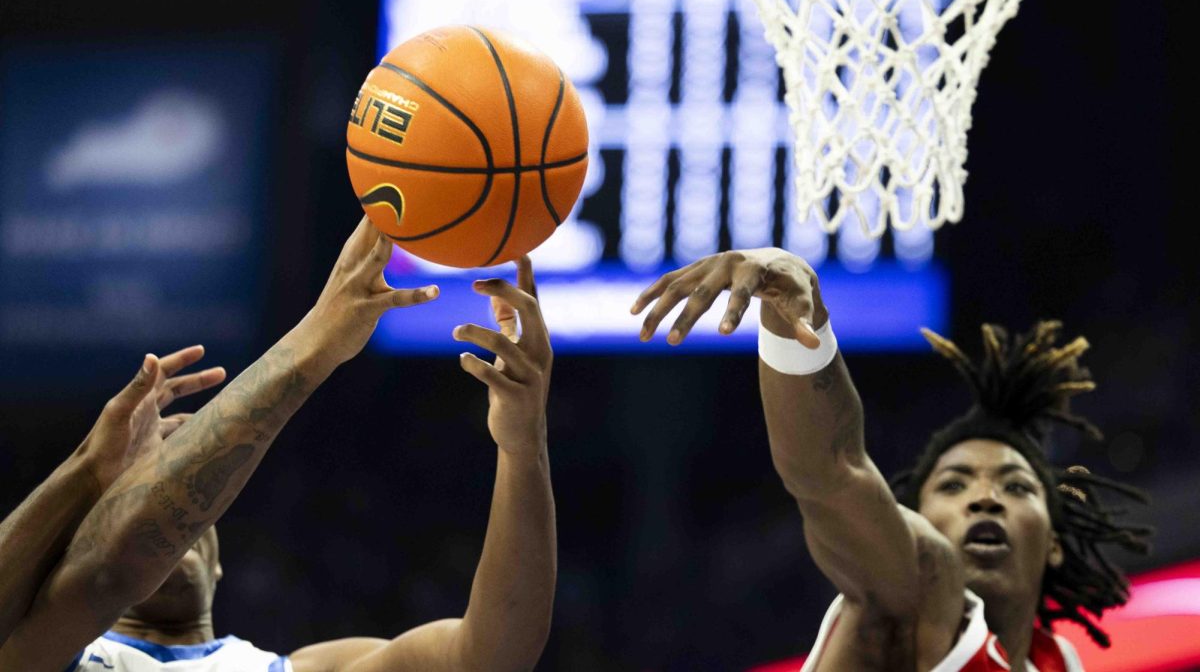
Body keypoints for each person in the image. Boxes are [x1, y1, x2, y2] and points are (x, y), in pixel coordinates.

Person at [0, 216, 557, 672]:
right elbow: (112, 567)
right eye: (134, 489)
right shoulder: (48, 649)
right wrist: (89, 470)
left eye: (189, 516)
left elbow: (491, 658)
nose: (166, 507)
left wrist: (522, 444)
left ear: (218, 562)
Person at [633, 248, 1149, 671]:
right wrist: (793, 310)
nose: (985, 500)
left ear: (1054, 542)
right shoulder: (909, 599)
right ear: (911, 522)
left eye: (1015, 487)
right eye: (953, 485)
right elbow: (832, 471)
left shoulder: (1060, 663)